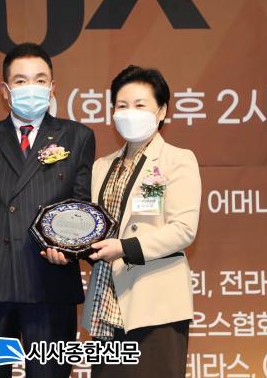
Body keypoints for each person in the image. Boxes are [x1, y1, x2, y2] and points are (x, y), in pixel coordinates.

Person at [0, 42, 96, 377]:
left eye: (40, 80)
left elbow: (80, 207)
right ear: (5, 90)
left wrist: (69, 249)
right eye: (21, 81)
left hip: (50, 281)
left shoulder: (77, 137)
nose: (32, 88)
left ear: (53, 87)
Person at [45, 65, 201, 376]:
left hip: (155, 304)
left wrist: (124, 248)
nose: (130, 113)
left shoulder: (178, 160)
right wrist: (67, 249)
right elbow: (90, 227)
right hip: (107, 302)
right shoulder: (102, 166)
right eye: (122, 105)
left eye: (140, 105)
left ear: (162, 111)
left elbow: (183, 229)